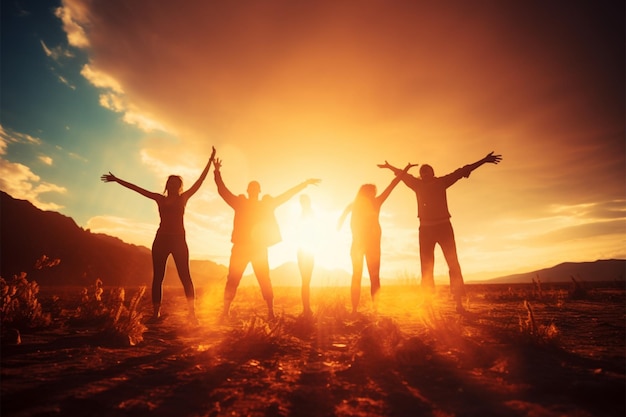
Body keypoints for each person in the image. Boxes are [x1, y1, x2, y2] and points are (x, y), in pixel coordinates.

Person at [101, 146, 216, 324]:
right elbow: (137, 189)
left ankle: (192, 313)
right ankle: (156, 314)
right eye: (169, 183)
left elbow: (200, 181)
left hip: (178, 240)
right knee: (158, 277)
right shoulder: (159, 198)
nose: (172, 185)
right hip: (161, 240)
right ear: (166, 185)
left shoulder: (183, 198)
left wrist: (209, 162)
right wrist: (117, 180)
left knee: (185, 276)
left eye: (175, 183)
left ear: (179, 186)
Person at [378, 152, 502, 312]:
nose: (424, 174)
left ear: (432, 173)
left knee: (453, 263)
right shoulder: (416, 184)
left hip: (443, 227)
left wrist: (484, 160)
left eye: (427, 171)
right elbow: (402, 175)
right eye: (422, 172)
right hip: (425, 229)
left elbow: (462, 170)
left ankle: (458, 303)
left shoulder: (442, 182)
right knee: (426, 266)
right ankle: (427, 301)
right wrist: (389, 167)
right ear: (420, 175)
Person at [214, 158, 320, 321]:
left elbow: (287, 195)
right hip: (241, 247)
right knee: (233, 279)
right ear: (248, 190)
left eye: (256, 188)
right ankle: (226, 311)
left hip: (258, 249)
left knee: (264, 279)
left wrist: (304, 184)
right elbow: (222, 190)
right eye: (252, 188)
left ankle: (271, 312)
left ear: (259, 191)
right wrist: (216, 171)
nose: (254, 190)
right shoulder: (239, 203)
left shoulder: (266, 204)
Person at [337, 163, 416, 314]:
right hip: (361, 246)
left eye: (373, 192)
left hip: (363, 246)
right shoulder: (368, 203)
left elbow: (392, 185)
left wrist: (404, 170)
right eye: (371, 191)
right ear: (366, 193)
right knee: (365, 276)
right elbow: (392, 185)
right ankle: (365, 309)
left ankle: (369, 309)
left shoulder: (361, 204)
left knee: (364, 277)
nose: (373, 194)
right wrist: (404, 171)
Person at [296, 194, 315, 317]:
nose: (304, 203)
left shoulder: (308, 213)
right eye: (303, 201)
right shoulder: (306, 213)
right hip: (305, 250)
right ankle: (306, 309)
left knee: (306, 281)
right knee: (305, 281)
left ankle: (306, 308)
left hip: (307, 250)